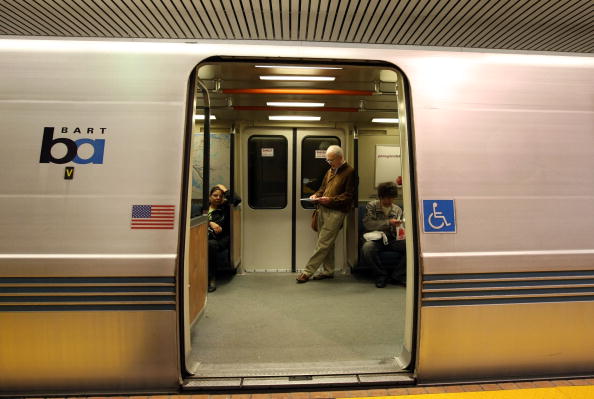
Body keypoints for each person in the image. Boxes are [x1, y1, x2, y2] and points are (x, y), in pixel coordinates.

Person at [296, 145, 355, 283]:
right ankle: (328, 271)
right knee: (328, 243)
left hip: (336, 212)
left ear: (340, 158)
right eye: (328, 160)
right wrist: (316, 195)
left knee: (323, 243)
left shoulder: (350, 172)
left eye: (331, 160)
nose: (329, 163)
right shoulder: (330, 171)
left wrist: (330, 200)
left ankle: (307, 272)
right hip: (322, 209)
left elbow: (348, 196)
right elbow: (323, 188)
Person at [361, 182, 406, 288]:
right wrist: (388, 222)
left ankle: (397, 275)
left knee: (411, 248)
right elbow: (368, 224)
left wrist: (399, 228)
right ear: (381, 197)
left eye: (392, 198)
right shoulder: (371, 206)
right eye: (387, 198)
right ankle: (381, 275)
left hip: (392, 239)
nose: (390, 201)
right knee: (367, 248)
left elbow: (399, 230)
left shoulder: (397, 209)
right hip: (376, 239)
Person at [208, 184, 241, 292]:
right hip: (202, 237)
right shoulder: (202, 208)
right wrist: (210, 223)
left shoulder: (224, 208)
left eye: (220, 196)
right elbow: (194, 219)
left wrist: (225, 189)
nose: (218, 198)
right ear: (209, 197)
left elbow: (237, 200)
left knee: (211, 244)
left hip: (220, 239)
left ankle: (211, 278)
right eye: (215, 195)